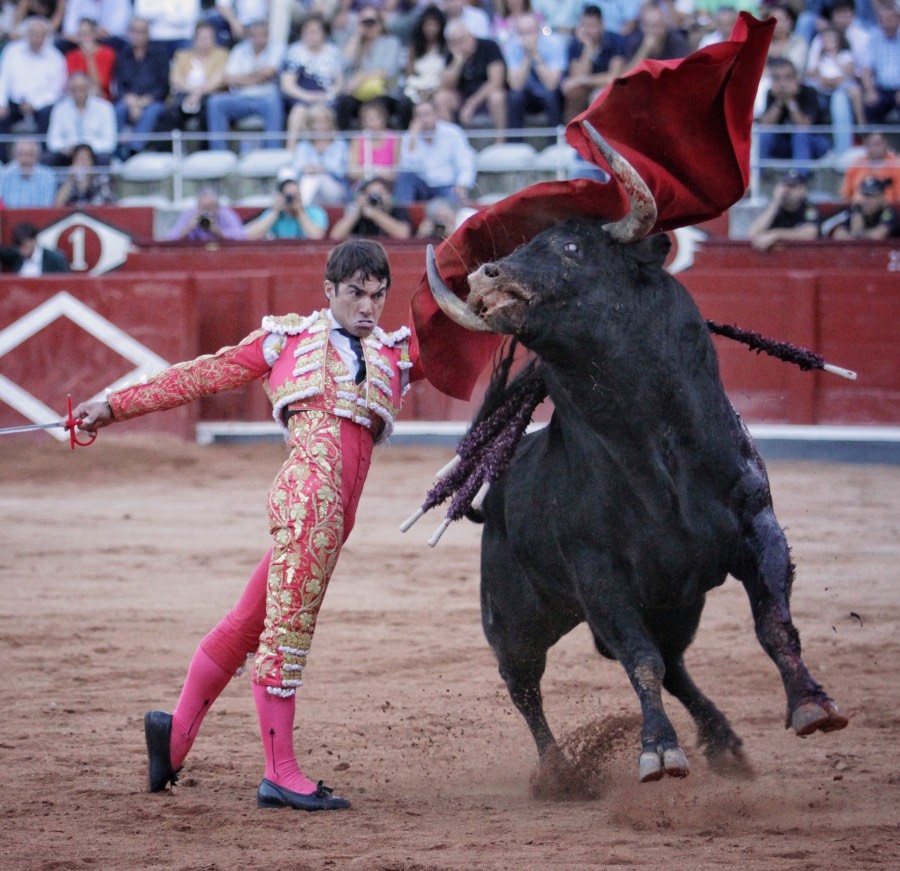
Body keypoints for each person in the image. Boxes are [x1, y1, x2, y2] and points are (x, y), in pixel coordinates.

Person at [71, 238, 421, 812]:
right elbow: (204, 375)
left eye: (377, 295)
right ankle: (279, 772)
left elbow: (463, 336)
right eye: (356, 292)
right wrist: (115, 405)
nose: (367, 306)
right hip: (307, 501)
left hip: (338, 517)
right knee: (287, 632)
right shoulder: (288, 339)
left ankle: (174, 735)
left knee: (246, 625)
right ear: (329, 290)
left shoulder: (395, 355)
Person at [206, 18, 285, 150]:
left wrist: (243, 79)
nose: (259, 39)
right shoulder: (239, 50)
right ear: (249, 36)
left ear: (268, 35)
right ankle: (218, 153)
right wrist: (258, 78)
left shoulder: (277, 48)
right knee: (216, 102)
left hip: (266, 98)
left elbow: (269, 73)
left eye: (262, 35)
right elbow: (228, 78)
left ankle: (274, 151)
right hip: (240, 98)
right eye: (255, 35)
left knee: (274, 101)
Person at [0, 15, 67, 149]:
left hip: (42, 105)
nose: (36, 39)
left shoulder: (56, 57)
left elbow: (56, 90)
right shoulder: (12, 51)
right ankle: (3, 161)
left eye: (40, 35)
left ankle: (43, 158)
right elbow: (3, 79)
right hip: (15, 103)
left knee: (49, 113)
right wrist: (1, 103)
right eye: (33, 34)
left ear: (47, 36)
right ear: (26, 34)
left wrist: (34, 104)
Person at [334, 5, 406, 130]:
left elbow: (388, 70)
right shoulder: (355, 44)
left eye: (372, 21)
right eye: (364, 22)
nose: (368, 25)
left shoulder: (391, 42)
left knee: (379, 104)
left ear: (380, 23)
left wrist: (361, 77)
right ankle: (346, 144)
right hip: (358, 94)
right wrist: (357, 35)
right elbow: (344, 64)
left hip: (384, 91)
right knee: (344, 103)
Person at [393, 97, 476, 204]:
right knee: (405, 177)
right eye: (419, 116)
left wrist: (462, 184)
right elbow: (406, 167)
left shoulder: (453, 133)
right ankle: (402, 216)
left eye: (427, 114)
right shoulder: (409, 137)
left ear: (436, 115)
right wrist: (412, 139)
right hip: (422, 186)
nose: (424, 119)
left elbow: (465, 161)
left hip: (446, 185)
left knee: (453, 198)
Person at [434, 19, 507, 138]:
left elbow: (496, 81)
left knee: (497, 97)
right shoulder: (452, 54)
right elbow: (445, 85)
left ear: (471, 36)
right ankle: (449, 142)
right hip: (462, 95)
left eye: (463, 40)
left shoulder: (489, 46)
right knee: (441, 97)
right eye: (455, 42)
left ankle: (500, 140)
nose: (460, 45)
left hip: (485, 95)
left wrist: (471, 105)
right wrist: (458, 62)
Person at [756, 57, 832, 168]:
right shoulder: (772, 93)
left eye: (787, 78)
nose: (782, 83)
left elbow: (804, 126)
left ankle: (798, 178)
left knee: (800, 135)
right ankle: (755, 178)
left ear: (796, 78)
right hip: (785, 143)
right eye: (777, 78)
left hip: (814, 141)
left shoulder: (809, 92)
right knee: (764, 135)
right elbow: (766, 124)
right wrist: (779, 101)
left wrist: (790, 101)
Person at [157, 19, 228, 137]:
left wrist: (198, 93)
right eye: (202, 38)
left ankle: (205, 151)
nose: (205, 42)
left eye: (208, 38)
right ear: (195, 39)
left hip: (208, 95)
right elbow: (175, 78)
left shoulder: (221, 55)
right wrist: (192, 92)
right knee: (170, 113)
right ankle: (166, 150)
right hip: (185, 94)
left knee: (209, 110)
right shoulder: (182, 55)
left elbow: (218, 78)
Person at [113, 16, 171, 159]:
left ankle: (134, 151)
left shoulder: (159, 54)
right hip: (129, 101)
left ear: (148, 34)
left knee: (151, 113)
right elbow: (119, 84)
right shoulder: (123, 54)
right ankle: (115, 149)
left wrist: (143, 102)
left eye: (141, 32)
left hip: (153, 100)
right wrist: (129, 100)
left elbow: (164, 85)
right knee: (118, 110)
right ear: (129, 33)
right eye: (134, 31)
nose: (137, 35)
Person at [280, 12, 344, 141]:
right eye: (308, 32)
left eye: (315, 32)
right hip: (301, 98)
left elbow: (340, 82)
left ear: (323, 33)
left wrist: (328, 95)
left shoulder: (333, 52)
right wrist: (308, 96)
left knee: (325, 114)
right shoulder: (295, 52)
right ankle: (291, 151)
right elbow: (287, 85)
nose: (312, 35)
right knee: (299, 111)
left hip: (327, 98)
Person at [560, 4, 626, 122]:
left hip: (607, 87)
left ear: (602, 25)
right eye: (584, 26)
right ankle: (571, 133)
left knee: (598, 96)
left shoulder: (616, 41)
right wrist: (588, 48)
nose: (588, 31)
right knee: (574, 93)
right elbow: (577, 76)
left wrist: (583, 80)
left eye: (592, 26)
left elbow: (613, 78)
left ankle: (600, 137)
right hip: (586, 87)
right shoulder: (576, 44)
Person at [503, 10, 566, 131]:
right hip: (527, 95)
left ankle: (555, 143)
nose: (526, 37)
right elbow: (515, 85)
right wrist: (527, 56)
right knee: (514, 97)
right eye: (521, 33)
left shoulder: (554, 43)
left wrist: (536, 55)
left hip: (549, 94)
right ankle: (514, 144)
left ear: (539, 29)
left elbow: (551, 84)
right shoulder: (512, 45)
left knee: (551, 96)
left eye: (530, 31)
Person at [45, 71, 118, 165]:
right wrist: (71, 148)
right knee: (48, 159)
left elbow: (109, 142)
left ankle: (100, 180)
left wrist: (86, 149)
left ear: (89, 88)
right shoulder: (60, 108)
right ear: (69, 90)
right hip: (67, 152)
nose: (79, 92)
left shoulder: (105, 108)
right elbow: (52, 141)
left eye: (82, 88)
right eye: (74, 89)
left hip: (95, 153)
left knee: (104, 158)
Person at [747, 168, 821, 251]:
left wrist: (776, 234)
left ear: (803, 190)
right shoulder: (774, 207)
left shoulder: (808, 207)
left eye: (792, 186)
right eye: (785, 185)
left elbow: (810, 233)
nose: (787, 190)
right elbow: (753, 233)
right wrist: (776, 202)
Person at [290, 103, 349, 203]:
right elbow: (297, 167)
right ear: (310, 125)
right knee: (303, 177)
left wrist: (320, 169)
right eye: (316, 122)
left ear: (331, 123)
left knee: (316, 178)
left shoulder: (340, 144)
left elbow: (340, 171)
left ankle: (301, 208)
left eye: (324, 121)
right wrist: (307, 168)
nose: (321, 126)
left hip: (335, 188)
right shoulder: (303, 145)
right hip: (308, 184)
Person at [243, 171, 329, 239]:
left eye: (296, 195)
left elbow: (317, 236)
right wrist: (275, 212)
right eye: (289, 196)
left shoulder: (316, 212)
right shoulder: (273, 214)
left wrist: (299, 212)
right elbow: (250, 236)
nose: (293, 199)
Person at [328, 175, 411, 239]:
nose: (375, 197)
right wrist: (357, 211)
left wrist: (375, 214)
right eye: (371, 194)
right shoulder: (360, 212)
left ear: (389, 195)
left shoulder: (397, 210)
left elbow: (403, 234)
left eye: (380, 193)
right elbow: (335, 237)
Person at [621, 3, 690, 74]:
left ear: (664, 25)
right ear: (641, 26)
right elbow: (627, 76)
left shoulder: (677, 41)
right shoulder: (634, 42)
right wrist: (644, 50)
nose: (653, 31)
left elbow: (684, 71)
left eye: (657, 26)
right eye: (648, 26)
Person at [345, 96, 400, 185]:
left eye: (375, 118)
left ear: (384, 119)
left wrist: (384, 175)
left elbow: (397, 171)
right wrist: (376, 172)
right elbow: (352, 172)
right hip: (364, 184)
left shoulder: (394, 138)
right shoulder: (357, 139)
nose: (371, 123)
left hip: (387, 185)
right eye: (367, 119)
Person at [861, 2, 900, 125]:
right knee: (870, 105)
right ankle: (873, 142)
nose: (886, 23)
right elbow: (866, 69)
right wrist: (870, 90)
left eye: (890, 19)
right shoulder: (873, 37)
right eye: (882, 20)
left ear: (898, 19)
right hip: (881, 89)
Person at [827, 175, 900, 239]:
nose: (867, 200)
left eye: (872, 196)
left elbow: (878, 235)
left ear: (881, 197)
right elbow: (838, 234)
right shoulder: (856, 210)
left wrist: (857, 233)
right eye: (865, 195)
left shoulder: (888, 212)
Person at [402, 4, 447, 106]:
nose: (431, 29)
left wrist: (432, 90)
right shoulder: (414, 48)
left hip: (438, 88)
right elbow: (410, 73)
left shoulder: (446, 47)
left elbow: (446, 75)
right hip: (417, 87)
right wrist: (418, 88)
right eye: (428, 25)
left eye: (434, 25)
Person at [63, 16, 117, 100]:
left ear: (95, 34)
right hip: (77, 97)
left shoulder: (107, 54)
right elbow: (72, 84)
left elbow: (101, 85)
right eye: (81, 34)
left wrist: (90, 58)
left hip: (100, 97)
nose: (84, 39)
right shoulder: (71, 56)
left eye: (87, 34)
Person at [840, 130, 900, 204]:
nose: (874, 148)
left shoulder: (896, 164)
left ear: (885, 143)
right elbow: (845, 195)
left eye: (877, 144)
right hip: (858, 208)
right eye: (870, 144)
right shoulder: (856, 164)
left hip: (888, 209)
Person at [167, 186, 246, 240]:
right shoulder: (189, 215)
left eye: (210, 207)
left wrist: (218, 232)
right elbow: (170, 238)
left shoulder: (225, 215)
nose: (206, 211)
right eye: (203, 207)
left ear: (217, 207)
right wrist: (187, 228)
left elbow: (241, 236)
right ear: (197, 207)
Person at [53, 142, 116, 206]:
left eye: (85, 159)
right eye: (78, 159)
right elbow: (57, 205)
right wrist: (70, 180)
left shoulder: (102, 179)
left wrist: (87, 180)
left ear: (92, 162)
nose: (82, 163)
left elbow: (110, 204)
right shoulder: (64, 179)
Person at [0, 137, 57, 206]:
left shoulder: (48, 176)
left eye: (29, 155)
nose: (25, 159)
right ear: (15, 155)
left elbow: (47, 206)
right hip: (7, 216)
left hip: (39, 216)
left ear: (37, 156)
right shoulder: (4, 175)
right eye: (21, 155)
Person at [0, 220, 69, 274]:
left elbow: (64, 283)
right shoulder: (15, 256)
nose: (22, 249)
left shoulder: (54, 259)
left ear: (34, 240)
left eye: (24, 245)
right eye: (19, 246)